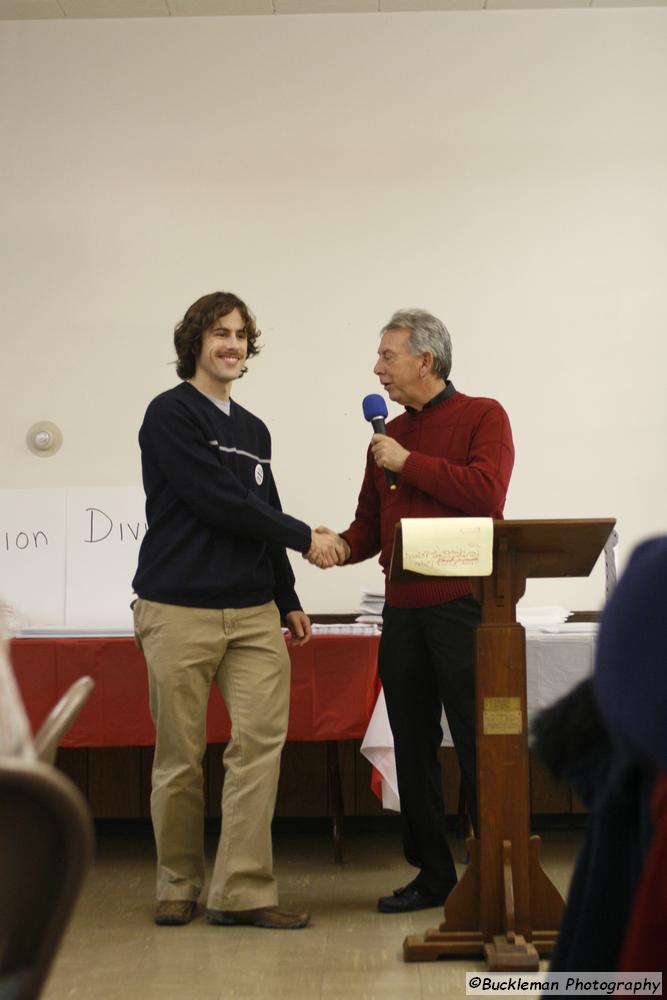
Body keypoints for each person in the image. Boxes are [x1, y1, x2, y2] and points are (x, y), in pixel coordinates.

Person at [132, 291, 339, 930]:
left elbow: (260, 514)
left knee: (257, 749)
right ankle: (178, 883)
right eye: (219, 333)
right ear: (194, 342)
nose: (231, 344)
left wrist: (289, 597)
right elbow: (220, 502)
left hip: (253, 614)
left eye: (241, 335)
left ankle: (242, 893)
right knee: (180, 755)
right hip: (177, 609)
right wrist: (308, 536)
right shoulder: (170, 415)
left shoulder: (254, 430)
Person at [311, 308, 514, 912]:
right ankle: (433, 876)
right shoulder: (387, 436)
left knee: (481, 743)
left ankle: (497, 872)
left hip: (462, 608)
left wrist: (406, 462)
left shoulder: (484, 415)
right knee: (412, 743)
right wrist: (338, 547)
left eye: (387, 356)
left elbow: (486, 494)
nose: (377, 368)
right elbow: (371, 525)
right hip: (401, 609)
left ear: (426, 360)